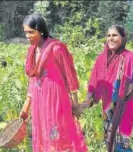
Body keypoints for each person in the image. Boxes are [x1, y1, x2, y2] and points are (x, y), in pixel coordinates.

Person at [80, 25, 133, 151]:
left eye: (115, 35)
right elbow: (93, 86)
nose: (111, 38)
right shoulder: (101, 60)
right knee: (110, 143)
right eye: (108, 35)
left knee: (122, 144)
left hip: (125, 107)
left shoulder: (131, 58)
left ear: (123, 38)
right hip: (108, 108)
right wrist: (86, 102)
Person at [19, 13, 88, 152]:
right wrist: (26, 107)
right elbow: (32, 81)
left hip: (56, 100)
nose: (28, 36)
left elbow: (70, 78)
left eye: (31, 32)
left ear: (41, 30)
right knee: (43, 136)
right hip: (39, 101)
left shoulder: (56, 48)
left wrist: (75, 105)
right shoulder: (31, 51)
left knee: (58, 137)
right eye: (26, 32)